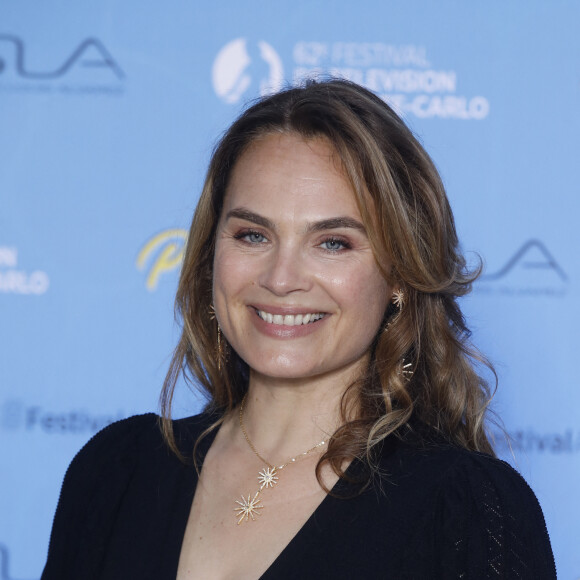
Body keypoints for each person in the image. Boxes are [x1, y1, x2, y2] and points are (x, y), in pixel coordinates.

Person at [42, 79, 556, 579]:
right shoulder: (115, 472)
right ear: (210, 255)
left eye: (333, 242)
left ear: (399, 274)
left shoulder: (464, 509)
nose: (281, 279)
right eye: (253, 235)